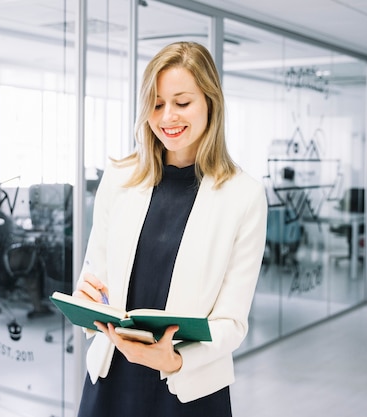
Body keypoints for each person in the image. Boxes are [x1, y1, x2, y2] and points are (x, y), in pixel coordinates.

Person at [72, 41, 267, 416]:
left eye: (182, 102)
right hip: (112, 379)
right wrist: (88, 301)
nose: (167, 118)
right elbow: (95, 276)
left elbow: (231, 322)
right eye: (157, 104)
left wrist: (174, 360)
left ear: (210, 102)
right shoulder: (119, 178)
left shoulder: (244, 195)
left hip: (189, 388)